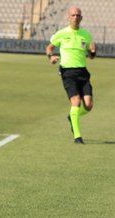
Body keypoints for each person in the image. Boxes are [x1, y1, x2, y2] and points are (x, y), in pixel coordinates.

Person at [46, 6, 96, 144]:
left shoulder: (86, 34)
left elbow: (91, 55)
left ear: (81, 18)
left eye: (78, 15)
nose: (75, 17)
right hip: (68, 72)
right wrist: (51, 57)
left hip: (83, 73)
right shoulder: (62, 33)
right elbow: (49, 47)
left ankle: (73, 116)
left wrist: (93, 51)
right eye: (73, 15)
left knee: (88, 105)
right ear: (69, 17)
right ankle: (77, 137)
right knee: (76, 102)